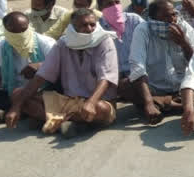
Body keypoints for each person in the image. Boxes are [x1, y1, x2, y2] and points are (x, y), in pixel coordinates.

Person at [8, 8, 119, 138]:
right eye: (84, 25)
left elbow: (105, 78)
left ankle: (53, 120)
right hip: (69, 101)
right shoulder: (63, 43)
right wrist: (16, 107)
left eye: (92, 24)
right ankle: (70, 123)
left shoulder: (104, 41)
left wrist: (91, 102)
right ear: (73, 27)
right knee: (17, 95)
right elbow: (42, 76)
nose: (89, 29)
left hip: (98, 100)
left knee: (102, 110)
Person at [128, 0, 194, 124]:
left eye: (173, 14)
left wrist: (183, 43)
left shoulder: (184, 27)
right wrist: (149, 103)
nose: (171, 20)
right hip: (155, 89)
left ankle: (167, 104)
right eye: (165, 16)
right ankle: (173, 105)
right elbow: (137, 66)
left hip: (182, 88)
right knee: (126, 86)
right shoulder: (143, 30)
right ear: (154, 18)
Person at [96, 0, 143, 85]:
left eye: (117, 2)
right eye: (109, 4)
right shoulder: (98, 28)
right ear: (101, 8)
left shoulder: (134, 20)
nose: (115, 7)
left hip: (139, 72)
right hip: (114, 77)